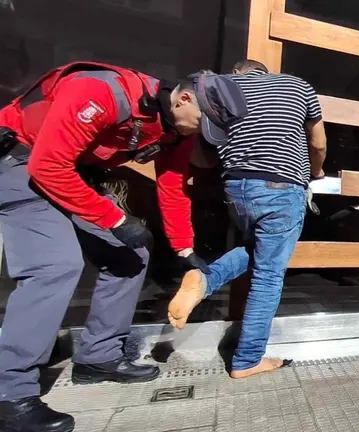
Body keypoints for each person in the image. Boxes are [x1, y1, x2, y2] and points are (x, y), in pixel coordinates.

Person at [0, 62, 208, 432]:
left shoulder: (178, 130)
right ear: (185, 98)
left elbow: (172, 190)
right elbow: (47, 167)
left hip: (72, 174)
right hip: (21, 160)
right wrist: (115, 219)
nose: (206, 135)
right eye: (206, 124)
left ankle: (98, 358)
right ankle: (9, 392)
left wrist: (183, 250)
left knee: (131, 255)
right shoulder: (102, 91)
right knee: (55, 265)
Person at [166, 60, 327, 379]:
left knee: (257, 250)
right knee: (268, 274)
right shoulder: (297, 85)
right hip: (281, 187)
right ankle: (247, 359)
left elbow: (200, 158)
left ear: (237, 73)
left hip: (236, 190)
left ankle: (205, 279)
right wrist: (317, 171)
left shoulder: (218, 90)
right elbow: (318, 143)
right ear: (265, 73)